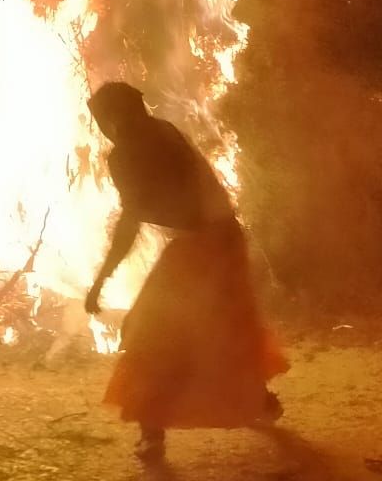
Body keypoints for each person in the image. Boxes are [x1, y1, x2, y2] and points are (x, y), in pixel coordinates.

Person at [85, 81, 286, 464]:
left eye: (103, 119)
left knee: (152, 333)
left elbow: (131, 219)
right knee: (225, 326)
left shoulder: (130, 151)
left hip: (205, 243)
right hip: (225, 237)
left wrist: (101, 279)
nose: (104, 128)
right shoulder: (163, 131)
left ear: (114, 117)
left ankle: (152, 433)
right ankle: (257, 399)